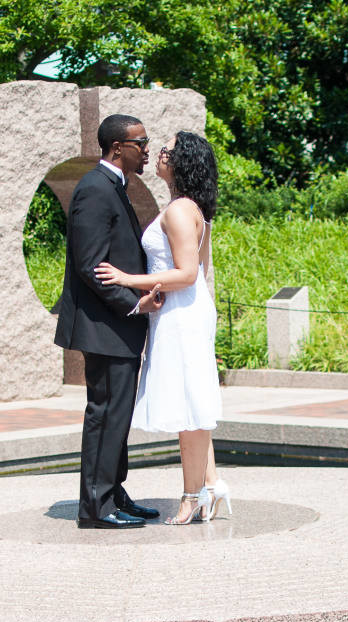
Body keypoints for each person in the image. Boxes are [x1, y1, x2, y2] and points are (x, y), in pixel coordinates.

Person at [96, 131, 228, 525]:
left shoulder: (178, 211)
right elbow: (200, 271)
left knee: (188, 405)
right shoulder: (192, 208)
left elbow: (188, 273)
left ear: (181, 162)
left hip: (181, 313)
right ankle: (210, 484)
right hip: (184, 309)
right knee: (194, 398)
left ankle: (192, 496)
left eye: (167, 151)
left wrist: (126, 278)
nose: (159, 154)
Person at [53, 114, 164, 529]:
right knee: (105, 413)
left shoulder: (113, 187)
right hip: (106, 327)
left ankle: (114, 493)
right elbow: (90, 264)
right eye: (142, 142)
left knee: (117, 413)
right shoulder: (96, 190)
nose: (147, 149)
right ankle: (96, 509)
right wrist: (133, 305)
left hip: (117, 327)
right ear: (118, 147)